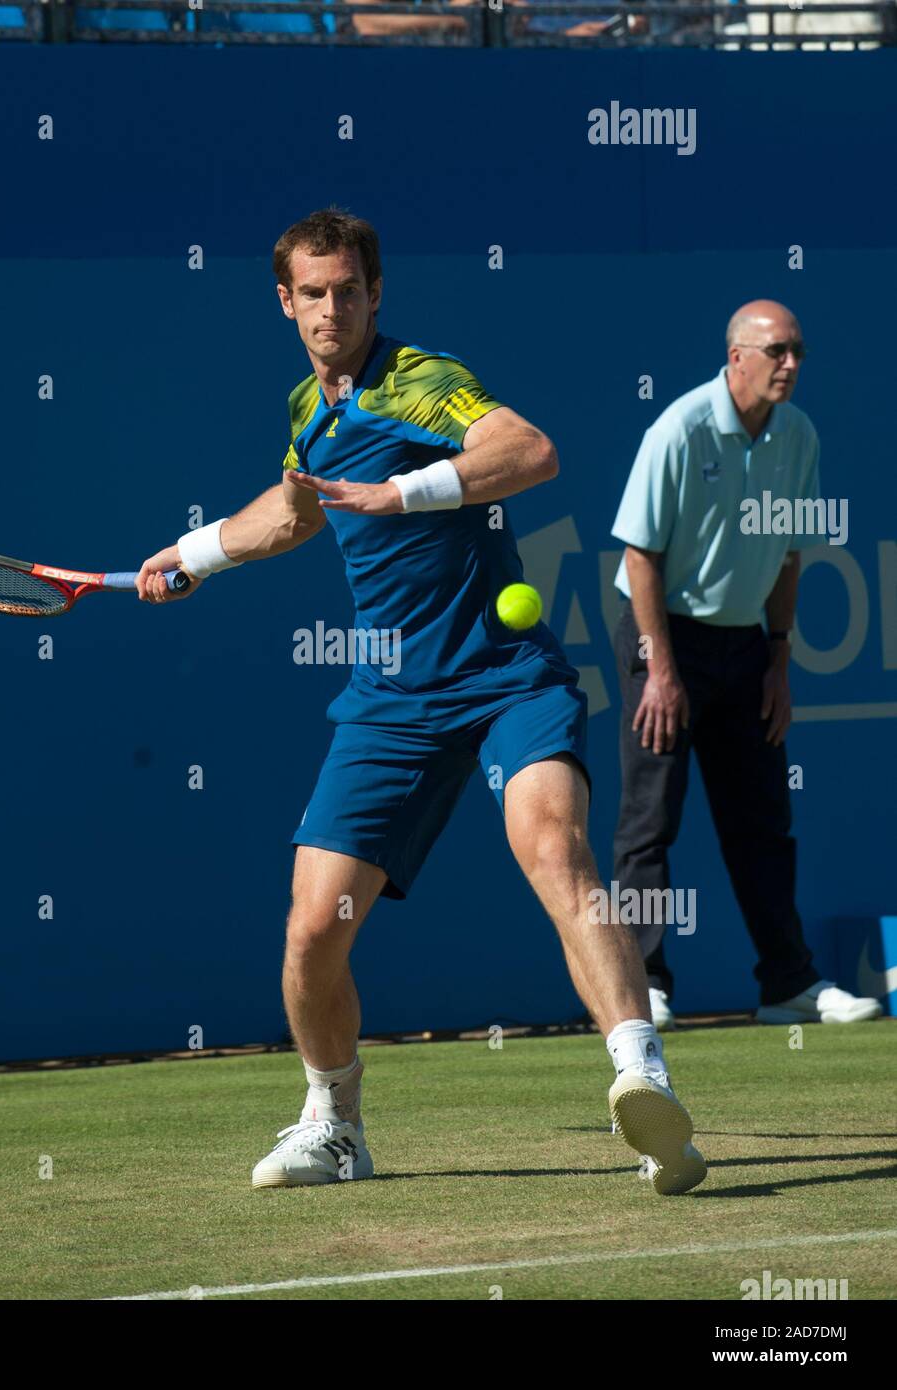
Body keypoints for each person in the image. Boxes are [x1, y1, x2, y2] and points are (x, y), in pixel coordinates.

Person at [137, 208, 706, 1196]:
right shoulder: (307, 410)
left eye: (348, 289)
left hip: (504, 681)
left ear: (375, 292)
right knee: (312, 929)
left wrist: (407, 492)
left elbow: (529, 450)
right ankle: (335, 1124)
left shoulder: (421, 381)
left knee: (552, 848)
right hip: (391, 703)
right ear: (285, 301)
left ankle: (642, 1079)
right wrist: (193, 555)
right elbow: (293, 508)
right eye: (311, 293)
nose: (331, 308)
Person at [610, 300, 883, 1033]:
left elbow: (790, 553)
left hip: (743, 643)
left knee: (762, 820)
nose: (789, 364)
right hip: (658, 633)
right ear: (735, 357)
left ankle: (786, 983)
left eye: (796, 351)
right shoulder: (678, 428)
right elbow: (640, 555)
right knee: (649, 818)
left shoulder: (798, 434)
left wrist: (778, 657)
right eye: (775, 351)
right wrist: (660, 671)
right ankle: (640, 988)